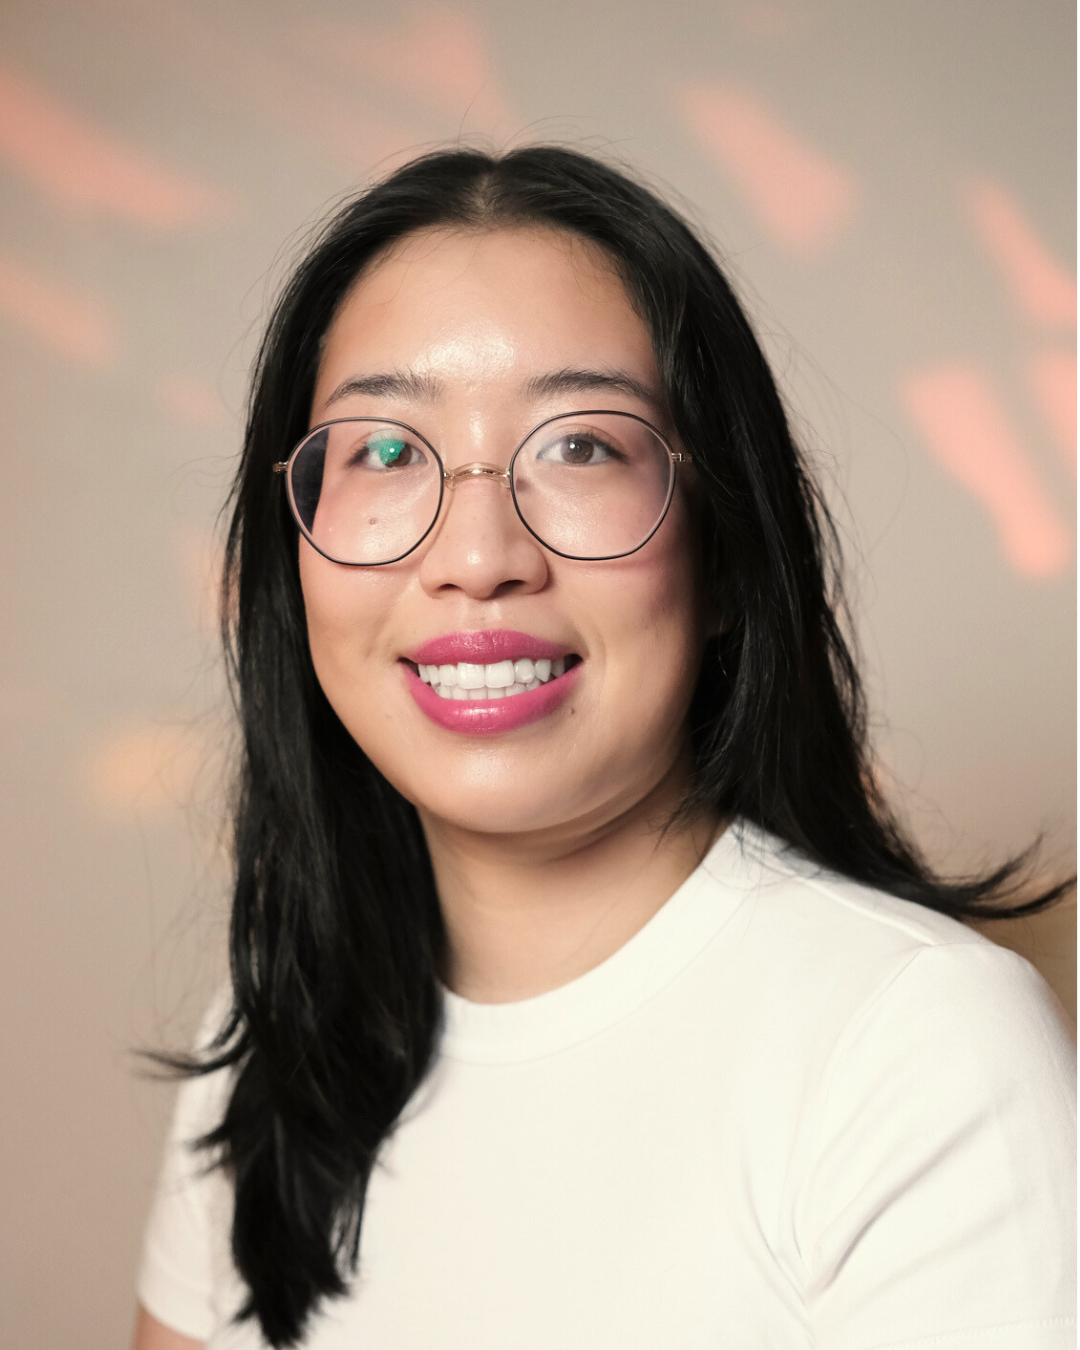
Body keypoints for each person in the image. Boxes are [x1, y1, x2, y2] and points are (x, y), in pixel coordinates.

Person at [132, 147, 1075, 1350]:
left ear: (729, 554)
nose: (477, 554)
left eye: (581, 445)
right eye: (382, 449)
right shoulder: (275, 1032)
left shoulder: (918, 1049)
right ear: (292, 558)